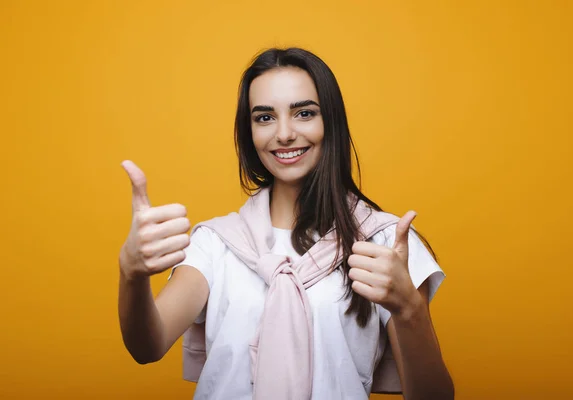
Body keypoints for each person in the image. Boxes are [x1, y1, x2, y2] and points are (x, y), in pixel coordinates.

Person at [118, 47, 454, 400]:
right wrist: (132, 274)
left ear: (331, 122)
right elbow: (148, 346)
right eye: (264, 118)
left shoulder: (384, 244)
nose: (284, 134)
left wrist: (409, 310)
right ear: (249, 132)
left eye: (304, 113)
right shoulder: (216, 244)